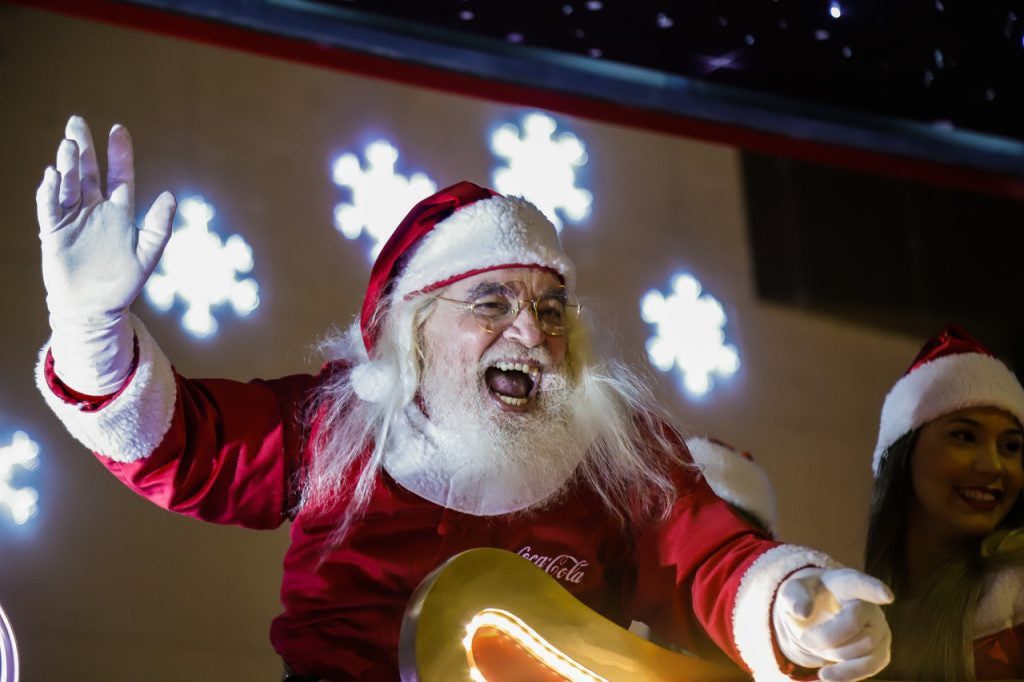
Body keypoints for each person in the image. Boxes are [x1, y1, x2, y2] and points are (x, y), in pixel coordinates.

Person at [36, 115, 893, 681]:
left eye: (550, 310)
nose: (531, 333)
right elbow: (188, 448)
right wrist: (90, 330)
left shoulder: (609, 456)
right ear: (416, 329)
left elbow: (703, 557)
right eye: (491, 303)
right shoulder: (342, 430)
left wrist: (791, 604)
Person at [865, 325, 1024, 680]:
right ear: (903, 454)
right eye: (964, 437)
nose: (994, 466)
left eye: (1011, 447)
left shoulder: (1017, 592)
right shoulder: (854, 620)